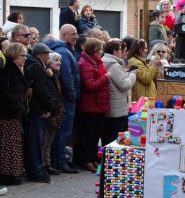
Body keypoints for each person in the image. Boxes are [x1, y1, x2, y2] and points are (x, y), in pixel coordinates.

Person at [46, 24, 80, 173]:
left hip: (67, 98)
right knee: (62, 132)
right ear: (63, 35)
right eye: (73, 34)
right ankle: (60, 161)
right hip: (67, 99)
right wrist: (72, 95)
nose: (76, 36)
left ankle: (60, 160)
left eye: (76, 33)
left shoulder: (66, 51)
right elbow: (67, 78)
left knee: (62, 132)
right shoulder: (64, 53)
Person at [23, 43, 56, 183]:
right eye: (47, 54)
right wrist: (49, 108)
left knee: (37, 141)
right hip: (37, 111)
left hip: (38, 109)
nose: (48, 57)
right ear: (42, 54)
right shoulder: (36, 67)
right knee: (36, 142)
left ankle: (37, 169)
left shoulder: (39, 66)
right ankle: (35, 171)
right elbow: (42, 90)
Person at [78, 38, 111, 172]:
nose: (101, 52)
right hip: (90, 106)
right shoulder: (85, 64)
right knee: (88, 135)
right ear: (94, 51)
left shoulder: (97, 63)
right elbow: (90, 86)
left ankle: (92, 158)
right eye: (100, 49)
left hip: (99, 104)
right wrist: (105, 78)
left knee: (96, 134)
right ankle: (85, 160)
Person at [0, 43, 29, 186]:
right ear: (14, 55)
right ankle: (6, 174)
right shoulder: (7, 69)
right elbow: (4, 91)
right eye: (22, 56)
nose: (25, 58)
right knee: (8, 144)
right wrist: (15, 104)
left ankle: (10, 173)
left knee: (13, 143)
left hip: (13, 112)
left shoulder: (15, 68)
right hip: (7, 113)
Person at [101, 40, 137, 146]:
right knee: (114, 139)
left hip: (111, 107)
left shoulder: (105, 61)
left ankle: (104, 159)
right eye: (121, 50)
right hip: (117, 109)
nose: (122, 52)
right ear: (115, 51)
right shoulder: (114, 65)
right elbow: (124, 85)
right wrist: (133, 75)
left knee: (107, 137)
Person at [42, 52, 65, 176]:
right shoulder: (48, 74)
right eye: (56, 60)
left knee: (49, 140)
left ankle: (47, 164)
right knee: (44, 141)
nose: (59, 62)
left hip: (55, 110)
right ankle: (44, 165)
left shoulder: (56, 75)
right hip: (49, 111)